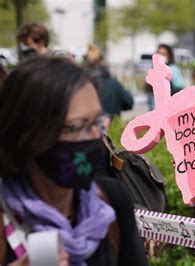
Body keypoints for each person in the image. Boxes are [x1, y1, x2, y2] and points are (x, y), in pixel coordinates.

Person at [0, 57, 148, 265]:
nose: (95, 136)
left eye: (97, 121)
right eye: (78, 126)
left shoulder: (111, 201)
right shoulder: (5, 217)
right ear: (31, 135)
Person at [83, 43, 134, 119]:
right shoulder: (114, 83)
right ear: (103, 62)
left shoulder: (82, 85)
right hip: (112, 127)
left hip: (90, 129)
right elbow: (129, 103)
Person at [146, 44, 185, 109]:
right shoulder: (153, 71)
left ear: (169, 56)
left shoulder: (172, 69)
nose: (160, 56)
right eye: (158, 53)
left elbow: (179, 88)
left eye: (163, 54)